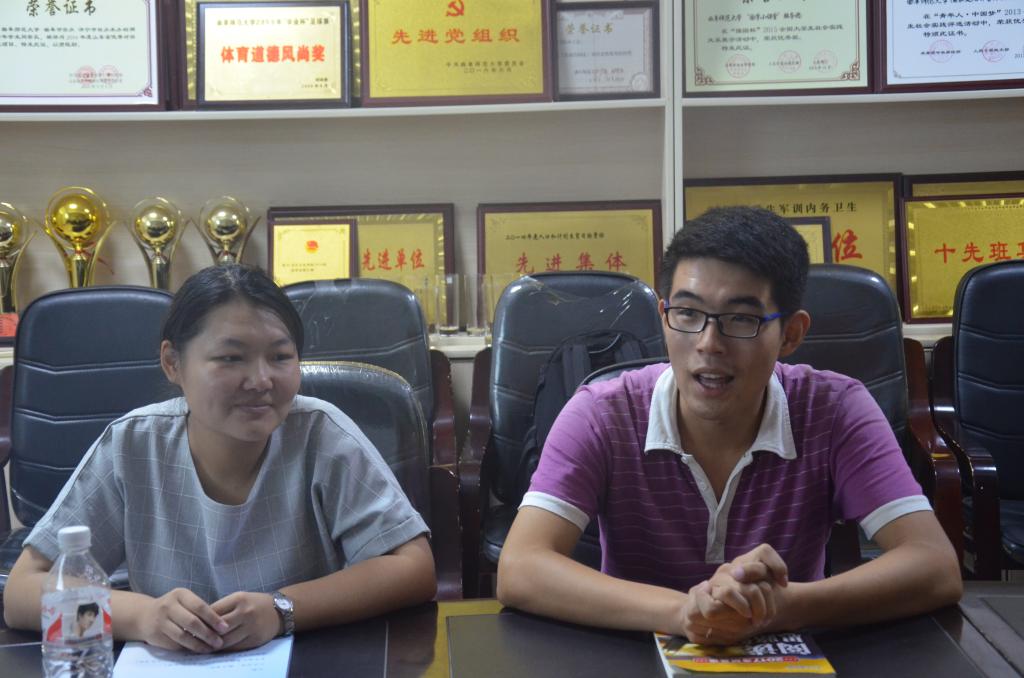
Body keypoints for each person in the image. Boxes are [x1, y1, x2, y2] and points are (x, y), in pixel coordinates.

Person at [497, 206, 961, 644]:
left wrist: (785, 607)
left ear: (791, 334)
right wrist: (685, 612)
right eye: (687, 313)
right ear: (664, 318)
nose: (708, 343)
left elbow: (933, 563)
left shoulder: (835, 409)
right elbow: (520, 567)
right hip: (633, 651)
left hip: (784, 652)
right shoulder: (602, 414)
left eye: (740, 318)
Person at [4, 264, 436, 653]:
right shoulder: (133, 445)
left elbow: (414, 568)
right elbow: (21, 594)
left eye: (280, 356)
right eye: (231, 358)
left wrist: (282, 610)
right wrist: (141, 617)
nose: (261, 380)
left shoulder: (321, 434)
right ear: (173, 363)